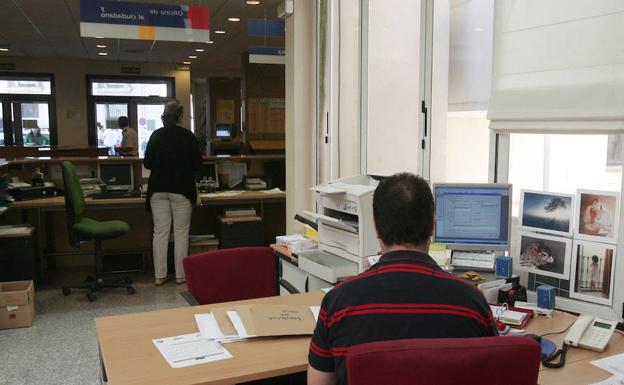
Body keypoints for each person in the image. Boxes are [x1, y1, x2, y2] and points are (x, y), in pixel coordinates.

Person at [307, 173, 497, 385]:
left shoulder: (338, 302)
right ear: (432, 227)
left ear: (376, 228)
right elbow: (491, 372)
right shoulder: (472, 301)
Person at [144, 101, 202, 285]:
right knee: (180, 233)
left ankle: (160, 276)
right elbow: (197, 165)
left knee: (160, 232)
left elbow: (147, 163)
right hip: (182, 189)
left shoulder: (155, 135)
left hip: (157, 189)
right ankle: (180, 276)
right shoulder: (188, 136)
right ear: (180, 116)